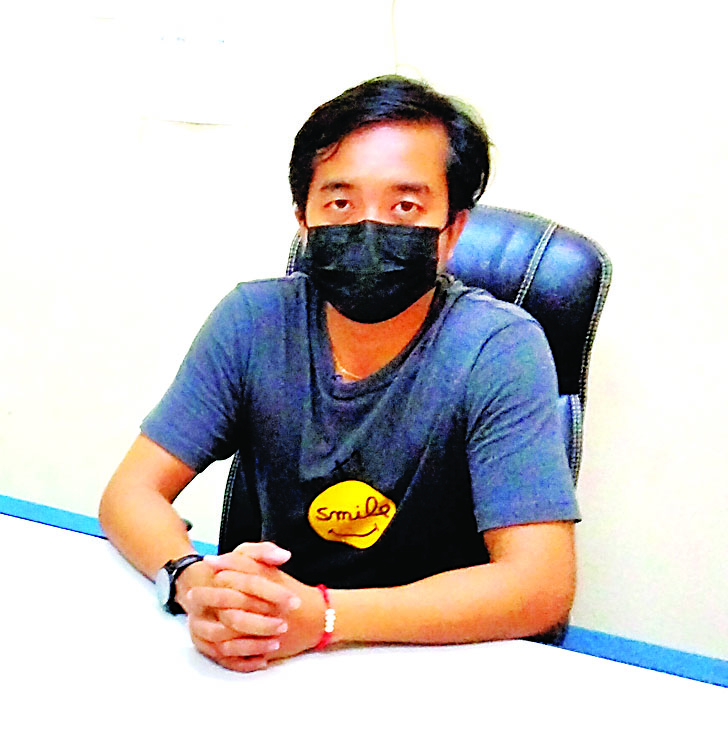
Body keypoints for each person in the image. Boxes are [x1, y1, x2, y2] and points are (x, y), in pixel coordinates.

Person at [99, 75, 579, 673]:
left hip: (435, 660)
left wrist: (323, 617)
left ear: (452, 231)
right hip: (270, 660)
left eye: (405, 206)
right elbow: (130, 493)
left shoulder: (499, 347)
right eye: (340, 203)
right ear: (304, 220)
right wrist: (195, 583)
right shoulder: (252, 321)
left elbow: (540, 585)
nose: (369, 229)